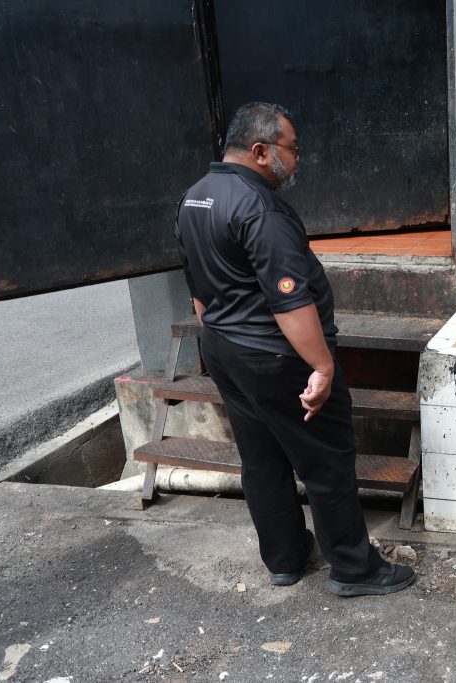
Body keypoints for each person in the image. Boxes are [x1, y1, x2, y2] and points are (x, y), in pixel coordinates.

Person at [174, 102, 414, 596]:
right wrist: (321, 366)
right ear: (261, 151)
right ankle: (354, 569)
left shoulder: (194, 197)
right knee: (326, 461)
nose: (298, 158)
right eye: (293, 148)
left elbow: (197, 290)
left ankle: (284, 558)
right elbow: (289, 299)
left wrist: (223, 335)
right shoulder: (261, 208)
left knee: (261, 457)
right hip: (276, 357)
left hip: (223, 346)